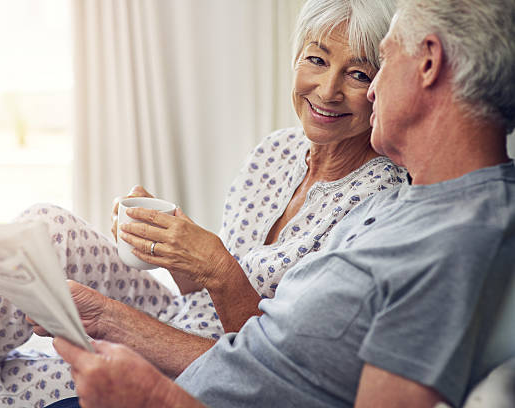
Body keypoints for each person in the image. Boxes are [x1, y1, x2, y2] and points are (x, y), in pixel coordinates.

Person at [0, 0, 404, 407]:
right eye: (316, 60)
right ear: (297, 59)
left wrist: (216, 265)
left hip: (215, 366)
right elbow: (197, 294)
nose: (328, 89)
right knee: (45, 227)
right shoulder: (275, 151)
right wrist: (170, 244)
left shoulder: (380, 203)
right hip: (180, 319)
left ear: (381, 89)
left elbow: (273, 368)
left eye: (357, 75)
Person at [42, 0, 515, 407]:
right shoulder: (416, 209)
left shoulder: (450, 238)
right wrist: (107, 317)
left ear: (428, 62)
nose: (369, 90)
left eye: (380, 63)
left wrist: (155, 396)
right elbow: (260, 351)